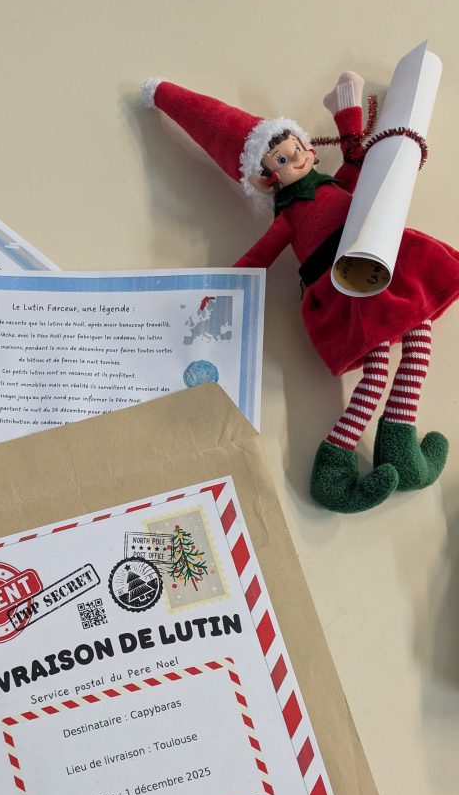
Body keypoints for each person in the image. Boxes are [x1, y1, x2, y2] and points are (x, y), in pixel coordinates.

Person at [143, 72, 459, 512]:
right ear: (264, 179)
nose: (295, 157)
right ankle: (335, 469)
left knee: (418, 340)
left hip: (382, 259)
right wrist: (217, 294)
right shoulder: (288, 219)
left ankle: (400, 448)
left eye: (295, 148)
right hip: (346, 285)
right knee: (376, 372)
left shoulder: (332, 185)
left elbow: (356, 166)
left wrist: (348, 113)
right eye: (281, 159)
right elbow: (256, 259)